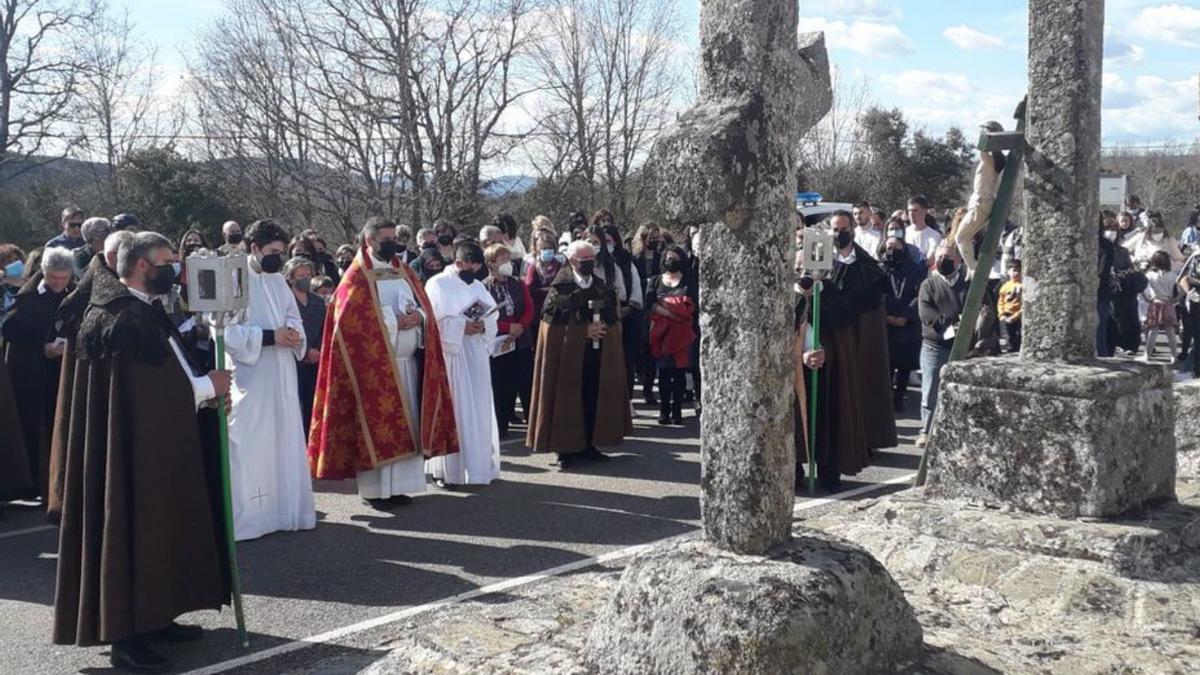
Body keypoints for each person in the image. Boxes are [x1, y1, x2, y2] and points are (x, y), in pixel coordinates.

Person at [53, 232, 232, 672]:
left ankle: (156, 616)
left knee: (160, 528)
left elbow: (168, 369)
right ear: (140, 266)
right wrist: (210, 386)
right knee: (131, 525)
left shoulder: (139, 310)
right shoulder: (121, 317)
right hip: (132, 450)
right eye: (166, 261)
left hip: (153, 444)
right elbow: (151, 391)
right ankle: (126, 636)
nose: (173, 268)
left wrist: (204, 385)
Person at [308, 217, 459, 507]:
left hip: (408, 362)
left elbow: (422, 306)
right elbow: (349, 323)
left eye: (395, 238)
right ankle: (376, 491)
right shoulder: (356, 277)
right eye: (386, 238)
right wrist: (393, 322)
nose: (393, 244)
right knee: (380, 427)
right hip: (375, 368)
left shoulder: (401, 270)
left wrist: (419, 318)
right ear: (370, 240)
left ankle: (400, 487)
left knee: (409, 426)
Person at [223, 219, 316, 541]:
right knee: (251, 441)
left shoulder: (278, 281)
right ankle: (251, 519)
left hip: (282, 372)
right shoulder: (234, 279)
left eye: (282, 250)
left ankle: (286, 510)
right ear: (254, 248)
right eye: (273, 251)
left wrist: (293, 335)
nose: (279, 257)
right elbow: (224, 333)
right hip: (252, 375)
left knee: (284, 436)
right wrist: (269, 336)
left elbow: (293, 316)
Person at [795, 212, 895, 491]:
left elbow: (863, 309)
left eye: (844, 228)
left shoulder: (868, 269)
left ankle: (830, 470)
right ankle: (796, 468)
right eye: (835, 229)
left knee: (834, 409)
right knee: (802, 409)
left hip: (843, 348)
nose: (840, 233)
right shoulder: (814, 261)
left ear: (853, 229)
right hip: (809, 342)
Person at [527, 240, 631, 468]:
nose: (588, 264)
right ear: (572, 260)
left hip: (596, 355)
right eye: (583, 260)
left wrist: (604, 329)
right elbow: (550, 328)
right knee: (566, 398)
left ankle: (590, 445)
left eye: (590, 259)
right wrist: (582, 332)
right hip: (566, 358)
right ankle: (565, 449)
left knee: (593, 396)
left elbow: (612, 320)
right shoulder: (560, 288)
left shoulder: (602, 287)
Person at [424, 241, 502, 488]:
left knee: (478, 407)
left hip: (476, 352)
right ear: (458, 262)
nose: (474, 269)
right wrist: (460, 326)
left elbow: (493, 314)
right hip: (452, 356)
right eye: (470, 264)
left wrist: (483, 325)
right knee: (456, 410)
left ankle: (479, 467)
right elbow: (431, 322)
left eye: (478, 265)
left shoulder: (478, 285)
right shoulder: (437, 284)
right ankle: (446, 471)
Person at [2, 246, 75, 501]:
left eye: (63, 278)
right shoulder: (27, 297)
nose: (58, 282)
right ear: (44, 272)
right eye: (54, 277)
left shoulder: (73, 294)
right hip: (36, 375)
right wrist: (41, 347)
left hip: (64, 372)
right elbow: (12, 329)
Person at [917, 244, 967, 446]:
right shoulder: (928, 285)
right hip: (934, 346)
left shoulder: (968, 284)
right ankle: (926, 431)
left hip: (963, 347)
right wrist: (953, 324)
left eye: (947, 256)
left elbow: (980, 309)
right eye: (939, 256)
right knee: (930, 391)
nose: (943, 260)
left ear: (958, 260)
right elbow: (926, 313)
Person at [483, 243, 534, 437]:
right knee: (501, 385)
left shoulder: (518, 283)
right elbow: (485, 315)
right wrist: (506, 328)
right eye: (502, 259)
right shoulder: (483, 287)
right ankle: (501, 425)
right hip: (498, 342)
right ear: (491, 263)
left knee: (526, 382)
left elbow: (529, 309)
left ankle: (533, 424)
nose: (508, 263)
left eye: (508, 259)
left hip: (520, 340)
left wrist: (519, 327)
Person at [645, 245, 696, 424]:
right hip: (662, 334)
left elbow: (690, 304)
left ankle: (677, 410)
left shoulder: (689, 280)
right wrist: (670, 310)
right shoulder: (656, 281)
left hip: (682, 335)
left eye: (675, 258)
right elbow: (650, 303)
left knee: (680, 374)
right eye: (668, 258)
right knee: (664, 373)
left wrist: (667, 305)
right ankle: (664, 409)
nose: (671, 261)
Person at [881, 234, 926, 411]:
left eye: (896, 247)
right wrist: (887, 316)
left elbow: (920, 295)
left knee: (905, 366)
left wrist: (906, 316)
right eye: (889, 248)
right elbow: (877, 295)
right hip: (886, 325)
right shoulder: (881, 269)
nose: (892, 251)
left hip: (908, 325)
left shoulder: (915, 270)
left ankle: (899, 397)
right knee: (888, 364)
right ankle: (886, 399)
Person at [284, 257, 325, 432]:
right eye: (301, 275)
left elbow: (324, 327)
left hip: (315, 361)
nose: (305, 278)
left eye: (308, 274)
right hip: (293, 359)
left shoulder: (318, 301)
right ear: (291, 278)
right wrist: (305, 350)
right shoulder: (285, 301)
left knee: (312, 402)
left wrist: (316, 349)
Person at [1143, 250, 1179, 360]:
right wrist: (1175, 299)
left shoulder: (1150, 275)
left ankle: (1147, 355)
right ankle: (1174, 355)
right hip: (1168, 303)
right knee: (1170, 331)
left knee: (1153, 330)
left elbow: (1143, 288)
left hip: (1155, 303)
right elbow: (1178, 290)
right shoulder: (1173, 275)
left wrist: (1146, 298)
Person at [905, 196, 944, 264]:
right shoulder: (904, 232)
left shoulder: (934, 236)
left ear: (924, 211)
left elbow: (930, 260)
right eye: (909, 211)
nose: (911, 214)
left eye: (915, 210)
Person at [997, 260, 1023, 353]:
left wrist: (1016, 315)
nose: (1016, 273)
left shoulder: (1022, 285)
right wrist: (1001, 314)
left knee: (1020, 334)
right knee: (1009, 335)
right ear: (1008, 271)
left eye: (1019, 271)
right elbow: (1000, 302)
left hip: (1019, 314)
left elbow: (1024, 304)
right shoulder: (1005, 286)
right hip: (1007, 314)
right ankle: (1011, 349)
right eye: (1014, 270)